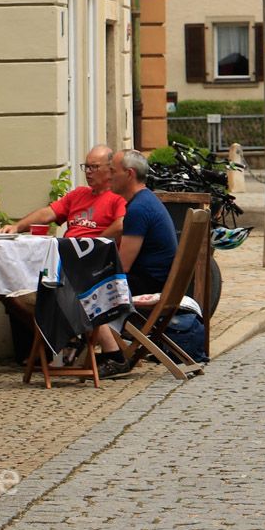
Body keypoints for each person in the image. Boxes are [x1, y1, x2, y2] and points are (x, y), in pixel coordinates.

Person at [94, 149, 182, 377]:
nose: (108, 176)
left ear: (129, 174)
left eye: (113, 171)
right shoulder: (146, 200)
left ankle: (113, 356)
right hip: (162, 283)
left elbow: (124, 268)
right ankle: (109, 350)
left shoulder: (138, 209)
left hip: (148, 285)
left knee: (85, 287)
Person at [9, 145, 126, 237]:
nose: (88, 171)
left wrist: (96, 244)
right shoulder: (78, 194)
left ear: (110, 169)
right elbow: (46, 214)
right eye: (86, 167)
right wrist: (17, 227)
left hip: (95, 260)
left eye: (94, 167)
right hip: (67, 255)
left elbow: (121, 224)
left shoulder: (118, 197)